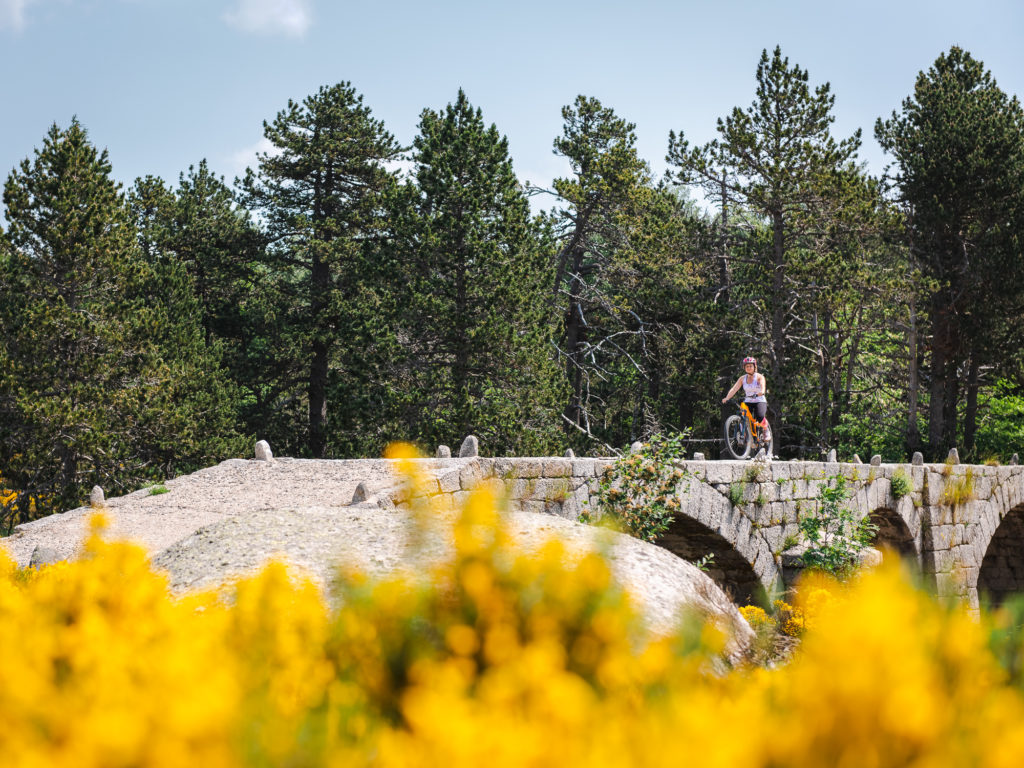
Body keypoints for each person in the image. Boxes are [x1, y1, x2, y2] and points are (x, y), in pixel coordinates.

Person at [722, 357, 771, 439]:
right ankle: (743, 435)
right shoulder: (742, 379)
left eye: (750, 366)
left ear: (755, 367)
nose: (748, 368)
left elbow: (763, 386)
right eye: (747, 366)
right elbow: (734, 389)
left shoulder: (759, 377)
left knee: (759, 416)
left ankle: (766, 429)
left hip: (759, 400)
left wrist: (761, 392)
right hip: (748, 400)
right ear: (744, 367)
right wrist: (727, 398)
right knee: (743, 416)